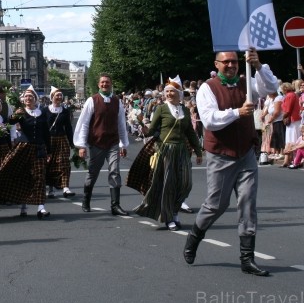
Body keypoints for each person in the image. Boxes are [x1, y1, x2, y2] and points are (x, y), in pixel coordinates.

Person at [183, 48, 278, 277]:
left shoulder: (247, 81)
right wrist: (237, 112)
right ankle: (195, 235)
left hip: (245, 152)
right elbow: (210, 120)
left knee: (247, 203)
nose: (231, 65)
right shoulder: (208, 88)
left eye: (234, 61)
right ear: (217, 64)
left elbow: (272, 88)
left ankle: (247, 258)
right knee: (216, 204)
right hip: (221, 154)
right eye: (226, 62)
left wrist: (257, 66)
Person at [132, 79, 202, 231]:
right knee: (169, 185)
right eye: (167, 91)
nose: (169, 94)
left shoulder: (183, 109)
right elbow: (151, 131)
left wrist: (198, 151)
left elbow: (190, 132)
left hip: (182, 150)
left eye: (173, 91)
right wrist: (142, 126)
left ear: (179, 94)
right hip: (166, 150)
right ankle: (170, 217)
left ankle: (175, 210)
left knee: (185, 184)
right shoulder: (161, 109)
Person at [73, 73, 130, 215]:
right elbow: (84, 123)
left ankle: (115, 205)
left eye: (107, 82)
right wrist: (81, 145)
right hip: (97, 143)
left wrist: (123, 144)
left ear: (111, 84)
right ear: (99, 84)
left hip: (113, 142)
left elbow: (121, 124)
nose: (105, 84)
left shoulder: (117, 101)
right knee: (93, 173)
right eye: (102, 82)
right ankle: (86, 200)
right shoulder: (92, 101)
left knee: (115, 172)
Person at [7, 86, 52, 218]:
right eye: (26, 97)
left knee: (40, 176)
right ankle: (23, 206)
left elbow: (46, 133)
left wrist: (49, 150)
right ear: (23, 99)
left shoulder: (41, 113)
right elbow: (10, 122)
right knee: (24, 176)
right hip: (24, 147)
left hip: (38, 147)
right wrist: (15, 114)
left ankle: (41, 207)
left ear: (35, 99)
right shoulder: (21, 112)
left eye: (31, 97)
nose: (28, 99)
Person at [44, 86, 76, 199]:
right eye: (57, 95)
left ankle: (65, 188)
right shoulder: (45, 110)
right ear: (52, 97)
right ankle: (51, 189)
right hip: (49, 140)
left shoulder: (65, 111)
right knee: (49, 164)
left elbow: (68, 127)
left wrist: (72, 142)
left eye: (60, 96)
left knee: (64, 163)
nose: (59, 97)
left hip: (62, 139)